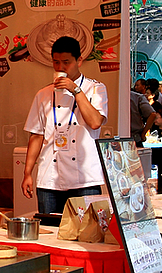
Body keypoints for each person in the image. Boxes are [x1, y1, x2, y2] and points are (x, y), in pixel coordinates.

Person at [22, 36, 108, 215]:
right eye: (56, 62)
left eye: (66, 62)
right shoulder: (43, 94)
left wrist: (75, 90)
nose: (60, 68)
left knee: (86, 234)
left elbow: (95, 122)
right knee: (50, 231)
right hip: (49, 178)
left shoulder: (95, 89)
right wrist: (28, 173)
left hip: (85, 179)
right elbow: (36, 135)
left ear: (79, 61)